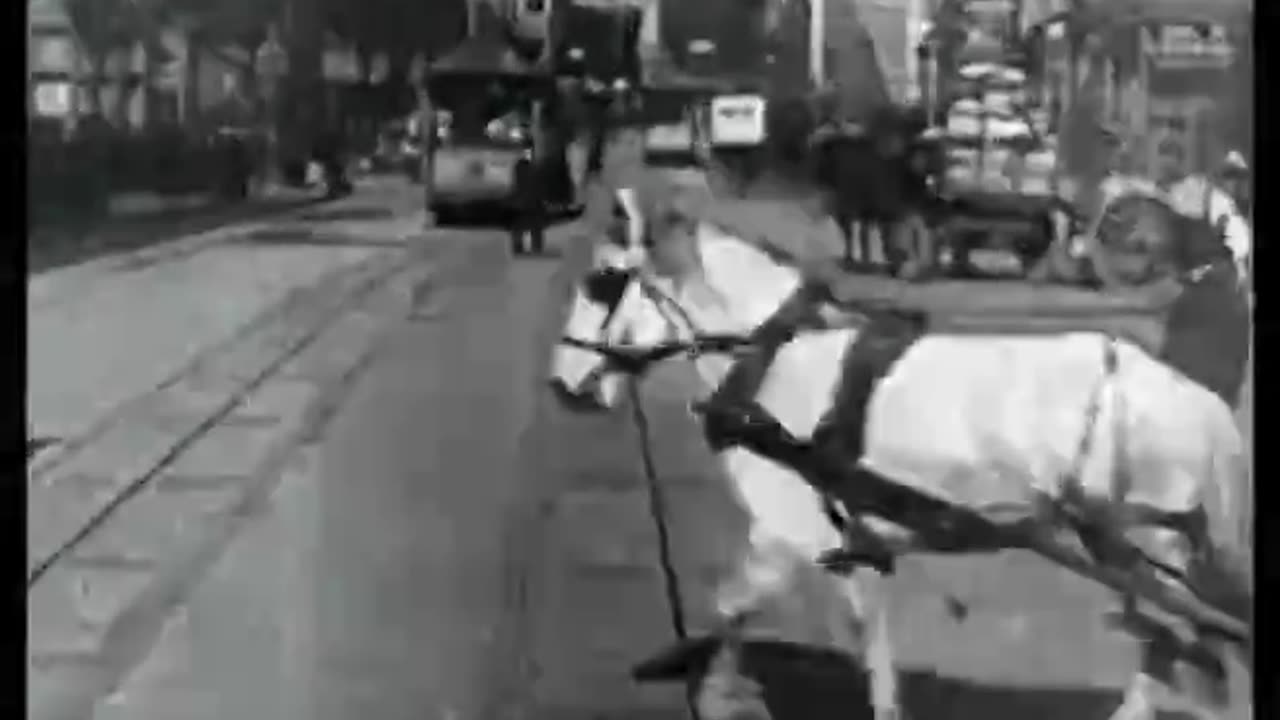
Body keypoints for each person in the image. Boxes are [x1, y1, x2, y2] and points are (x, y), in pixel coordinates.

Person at [509, 123, 546, 256]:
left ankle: (523, 245)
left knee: (526, 219)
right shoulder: (525, 162)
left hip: (525, 193)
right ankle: (528, 245)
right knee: (528, 219)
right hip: (525, 193)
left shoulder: (525, 161)